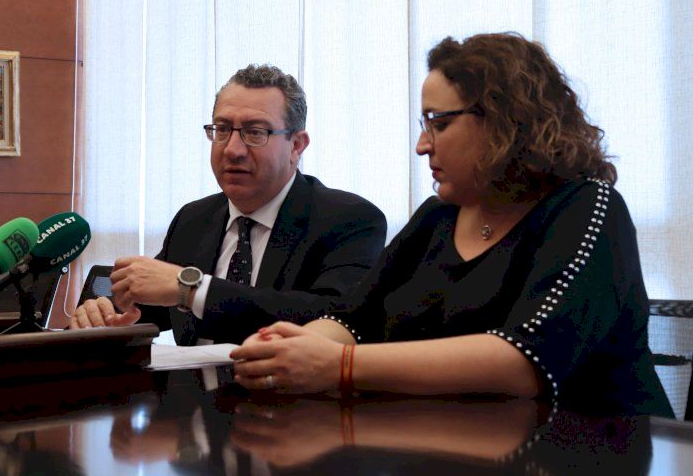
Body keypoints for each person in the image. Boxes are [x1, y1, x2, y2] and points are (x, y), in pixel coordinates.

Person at [230, 33, 673, 417]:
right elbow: (354, 319)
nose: (422, 145)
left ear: (506, 122)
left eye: (439, 124)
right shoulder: (436, 218)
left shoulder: (586, 207)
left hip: (597, 452)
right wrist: (287, 349)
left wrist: (339, 366)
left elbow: (525, 361)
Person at [70, 64, 387, 345]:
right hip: (193, 393)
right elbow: (150, 304)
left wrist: (193, 290)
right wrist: (106, 313)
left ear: (296, 145)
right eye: (222, 130)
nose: (233, 149)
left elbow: (336, 317)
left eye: (255, 132)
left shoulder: (347, 219)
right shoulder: (194, 219)